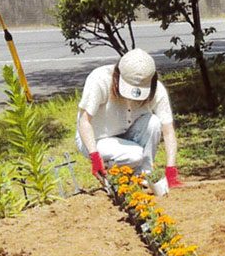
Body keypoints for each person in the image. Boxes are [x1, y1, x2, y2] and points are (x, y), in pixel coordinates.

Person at [76, 48, 182, 189]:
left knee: (154, 122)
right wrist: (94, 156)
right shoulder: (99, 79)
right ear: (118, 76)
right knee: (135, 155)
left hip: (127, 134)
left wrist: (171, 170)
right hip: (95, 138)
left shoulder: (156, 89)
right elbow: (84, 121)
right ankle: (113, 179)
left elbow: (168, 130)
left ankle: (143, 176)